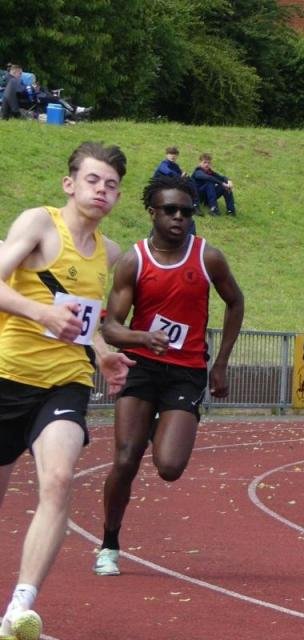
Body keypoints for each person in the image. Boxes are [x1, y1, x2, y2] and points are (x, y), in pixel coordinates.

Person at [0, 142, 135, 638]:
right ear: (70, 184)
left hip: (65, 383)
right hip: (7, 374)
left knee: (58, 479)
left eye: (112, 185)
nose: (103, 191)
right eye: (94, 180)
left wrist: (101, 350)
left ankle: (20, 607)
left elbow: (83, 323)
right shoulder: (38, 223)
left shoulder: (111, 254)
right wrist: (40, 312)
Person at [92, 174, 245, 576]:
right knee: (125, 460)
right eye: (170, 210)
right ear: (152, 212)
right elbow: (110, 327)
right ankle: (109, 542)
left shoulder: (208, 257)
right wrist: (142, 337)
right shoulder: (134, 260)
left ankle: (161, 424)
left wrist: (222, 361)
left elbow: (235, 302)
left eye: (186, 211)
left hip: (185, 373)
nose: (179, 218)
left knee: (169, 467)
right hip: (141, 367)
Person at [153, 147, 198, 234]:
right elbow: (168, 172)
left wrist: (184, 176)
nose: (172, 156)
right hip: (159, 188)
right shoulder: (163, 164)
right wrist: (180, 176)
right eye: (170, 154)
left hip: (169, 187)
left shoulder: (175, 166)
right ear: (166, 155)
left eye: (174, 155)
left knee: (189, 181)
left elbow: (181, 174)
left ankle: (195, 204)